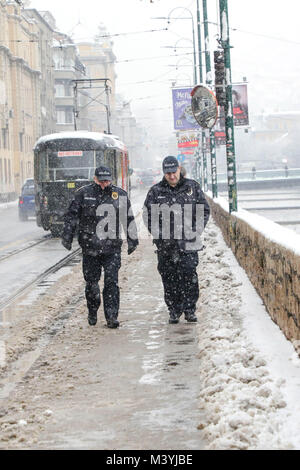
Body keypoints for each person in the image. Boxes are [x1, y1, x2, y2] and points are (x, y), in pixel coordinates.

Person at [61, 166, 138, 328]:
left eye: (107, 181)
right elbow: (72, 216)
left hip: (112, 248)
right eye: (101, 181)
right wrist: (67, 237)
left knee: (111, 282)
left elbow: (128, 219)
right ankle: (93, 310)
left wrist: (132, 240)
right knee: (91, 284)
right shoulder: (83, 194)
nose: (104, 184)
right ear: (95, 179)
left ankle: (111, 316)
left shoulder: (120, 194)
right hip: (90, 248)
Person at [143, 156, 210, 324]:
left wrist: (195, 231)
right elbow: (147, 215)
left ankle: (189, 309)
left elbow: (204, 211)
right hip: (166, 245)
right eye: (168, 173)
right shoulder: (155, 191)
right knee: (169, 278)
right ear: (164, 173)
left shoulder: (192, 187)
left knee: (189, 276)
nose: (172, 176)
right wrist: (158, 234)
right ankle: (174, 310)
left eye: (174, 172)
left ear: (179, 169)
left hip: (188, 243)